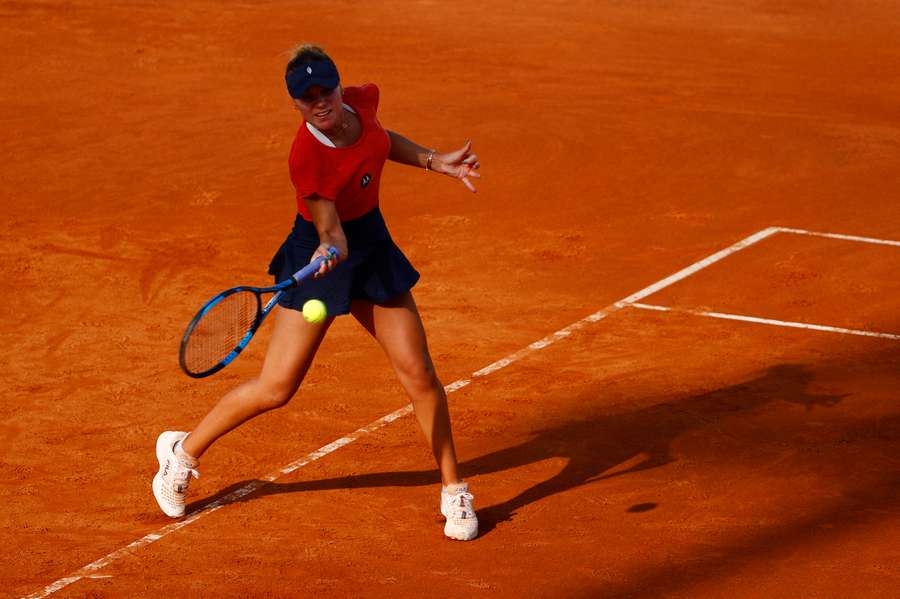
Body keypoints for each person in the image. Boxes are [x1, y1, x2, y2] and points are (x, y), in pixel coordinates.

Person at [152, 43, 481, 541]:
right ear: (296, 104)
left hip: (371, 245)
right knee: (277, 388)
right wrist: (329, 250)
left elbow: (379, 141)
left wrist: (436, 161)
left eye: (325, 90)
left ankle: (454, 488)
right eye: (306, 99)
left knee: (419, 371)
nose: (320, 102)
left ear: (338, 85)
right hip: (322, 252)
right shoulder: (306, 156)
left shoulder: (361, 102)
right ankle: (183, 451)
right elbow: (330, 232)